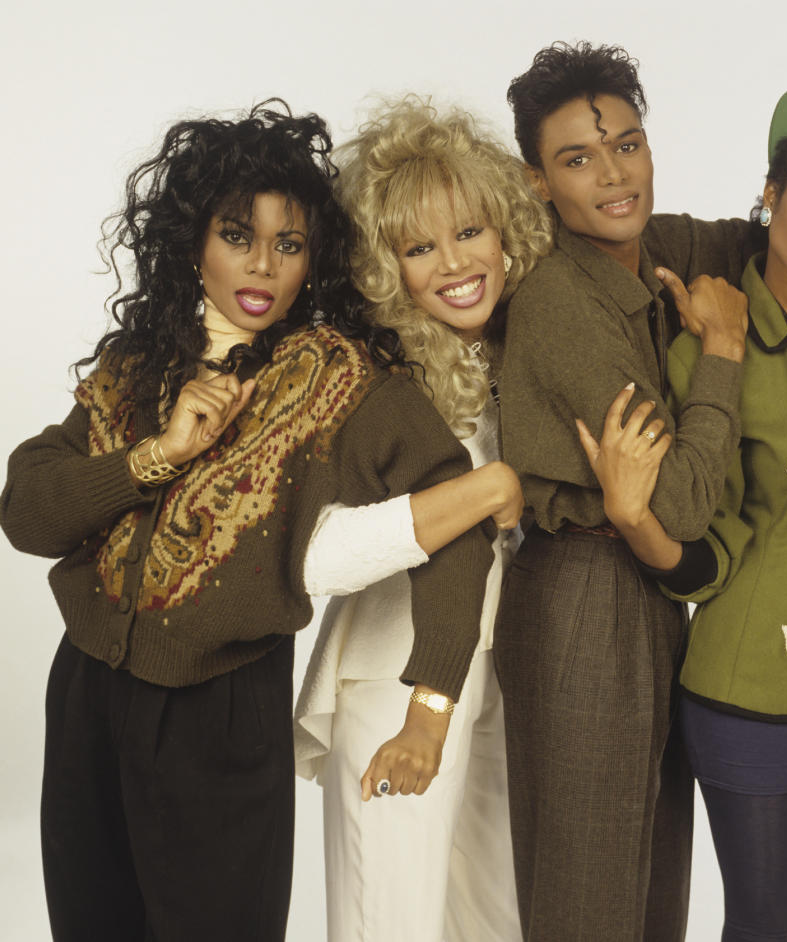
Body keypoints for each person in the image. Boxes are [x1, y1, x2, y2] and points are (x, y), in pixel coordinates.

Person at [494, 41, 787, 942]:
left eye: (626, 144)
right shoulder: (561, 298)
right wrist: (721, 350)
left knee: (653, 896)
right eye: (577, 158)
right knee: (589, 894)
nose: (613, 174)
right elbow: (677, 505)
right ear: (535, 182)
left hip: (661, 598)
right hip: (580, 595)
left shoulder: (660, 243)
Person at [0, 101, 493, 942]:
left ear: (314, 259)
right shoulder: (134, 367)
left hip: (218, 714)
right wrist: (156, 452)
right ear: (192, 244)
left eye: (289, 244)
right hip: (84, 693)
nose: (262, 264)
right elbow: (26, 511)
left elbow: (457, 515)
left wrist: (431, 703)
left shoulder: (341, 381)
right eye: (238, 235)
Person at [293, 96, 550, 942]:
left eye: (469, 232)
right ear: (382, 265)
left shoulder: (526, 346)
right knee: (390, 923)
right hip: (399, 678)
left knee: (497, 922)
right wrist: (470, 497)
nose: (453, 263)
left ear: (506, 227)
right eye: (418, 246)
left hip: (508, 672)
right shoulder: (364, 376)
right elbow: (313, 556)